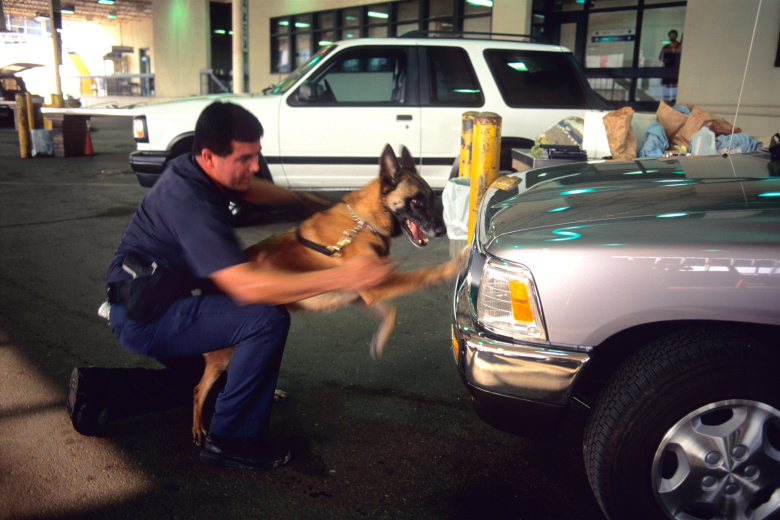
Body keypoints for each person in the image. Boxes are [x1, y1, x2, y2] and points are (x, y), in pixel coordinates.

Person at [67, 101, 395, 470]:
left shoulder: (194, 168)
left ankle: (98, 391)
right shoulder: (190, 201)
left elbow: (250, 189)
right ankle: (232, 440)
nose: (254, 166)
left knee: (211, 383)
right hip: (146, 316)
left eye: (257, 155)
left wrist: (304, 202)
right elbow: (246, 287)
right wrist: (344, 276)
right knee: (265, 318)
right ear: (209, 156)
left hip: (149, 301)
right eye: (245, 158)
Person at [659, 29, 682, 105]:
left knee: (676, 84)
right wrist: (665, 60)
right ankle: (667, 100)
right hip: (668, 68)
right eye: (671, 35)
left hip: (677, 68)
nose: (672, 37)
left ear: (676, 36)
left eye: (674, 35)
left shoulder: (680, 46)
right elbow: (661, 57)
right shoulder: (666, 47)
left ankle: (675, 99)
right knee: (667, 84)